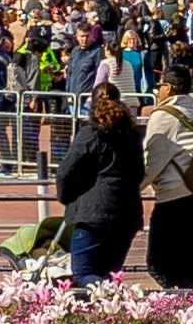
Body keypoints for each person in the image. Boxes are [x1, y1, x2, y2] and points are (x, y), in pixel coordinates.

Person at [138, 56, 193, 290]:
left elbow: (151, 163)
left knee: (159, 263)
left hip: (176, 198)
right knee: (189, 263)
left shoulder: (164, 116)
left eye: (159, 86)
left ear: (168, 88)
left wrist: (127, 190)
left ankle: (179, 307)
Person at [55, 84, 146, 288]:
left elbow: (65, 172)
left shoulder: (90, 133)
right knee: (110, 275)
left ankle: (110, 298)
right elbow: (139, 173)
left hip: (92, 216)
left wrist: (66, 196)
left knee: (83, 274)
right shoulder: (132, 135)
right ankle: (110, 309)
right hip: (126, 215)